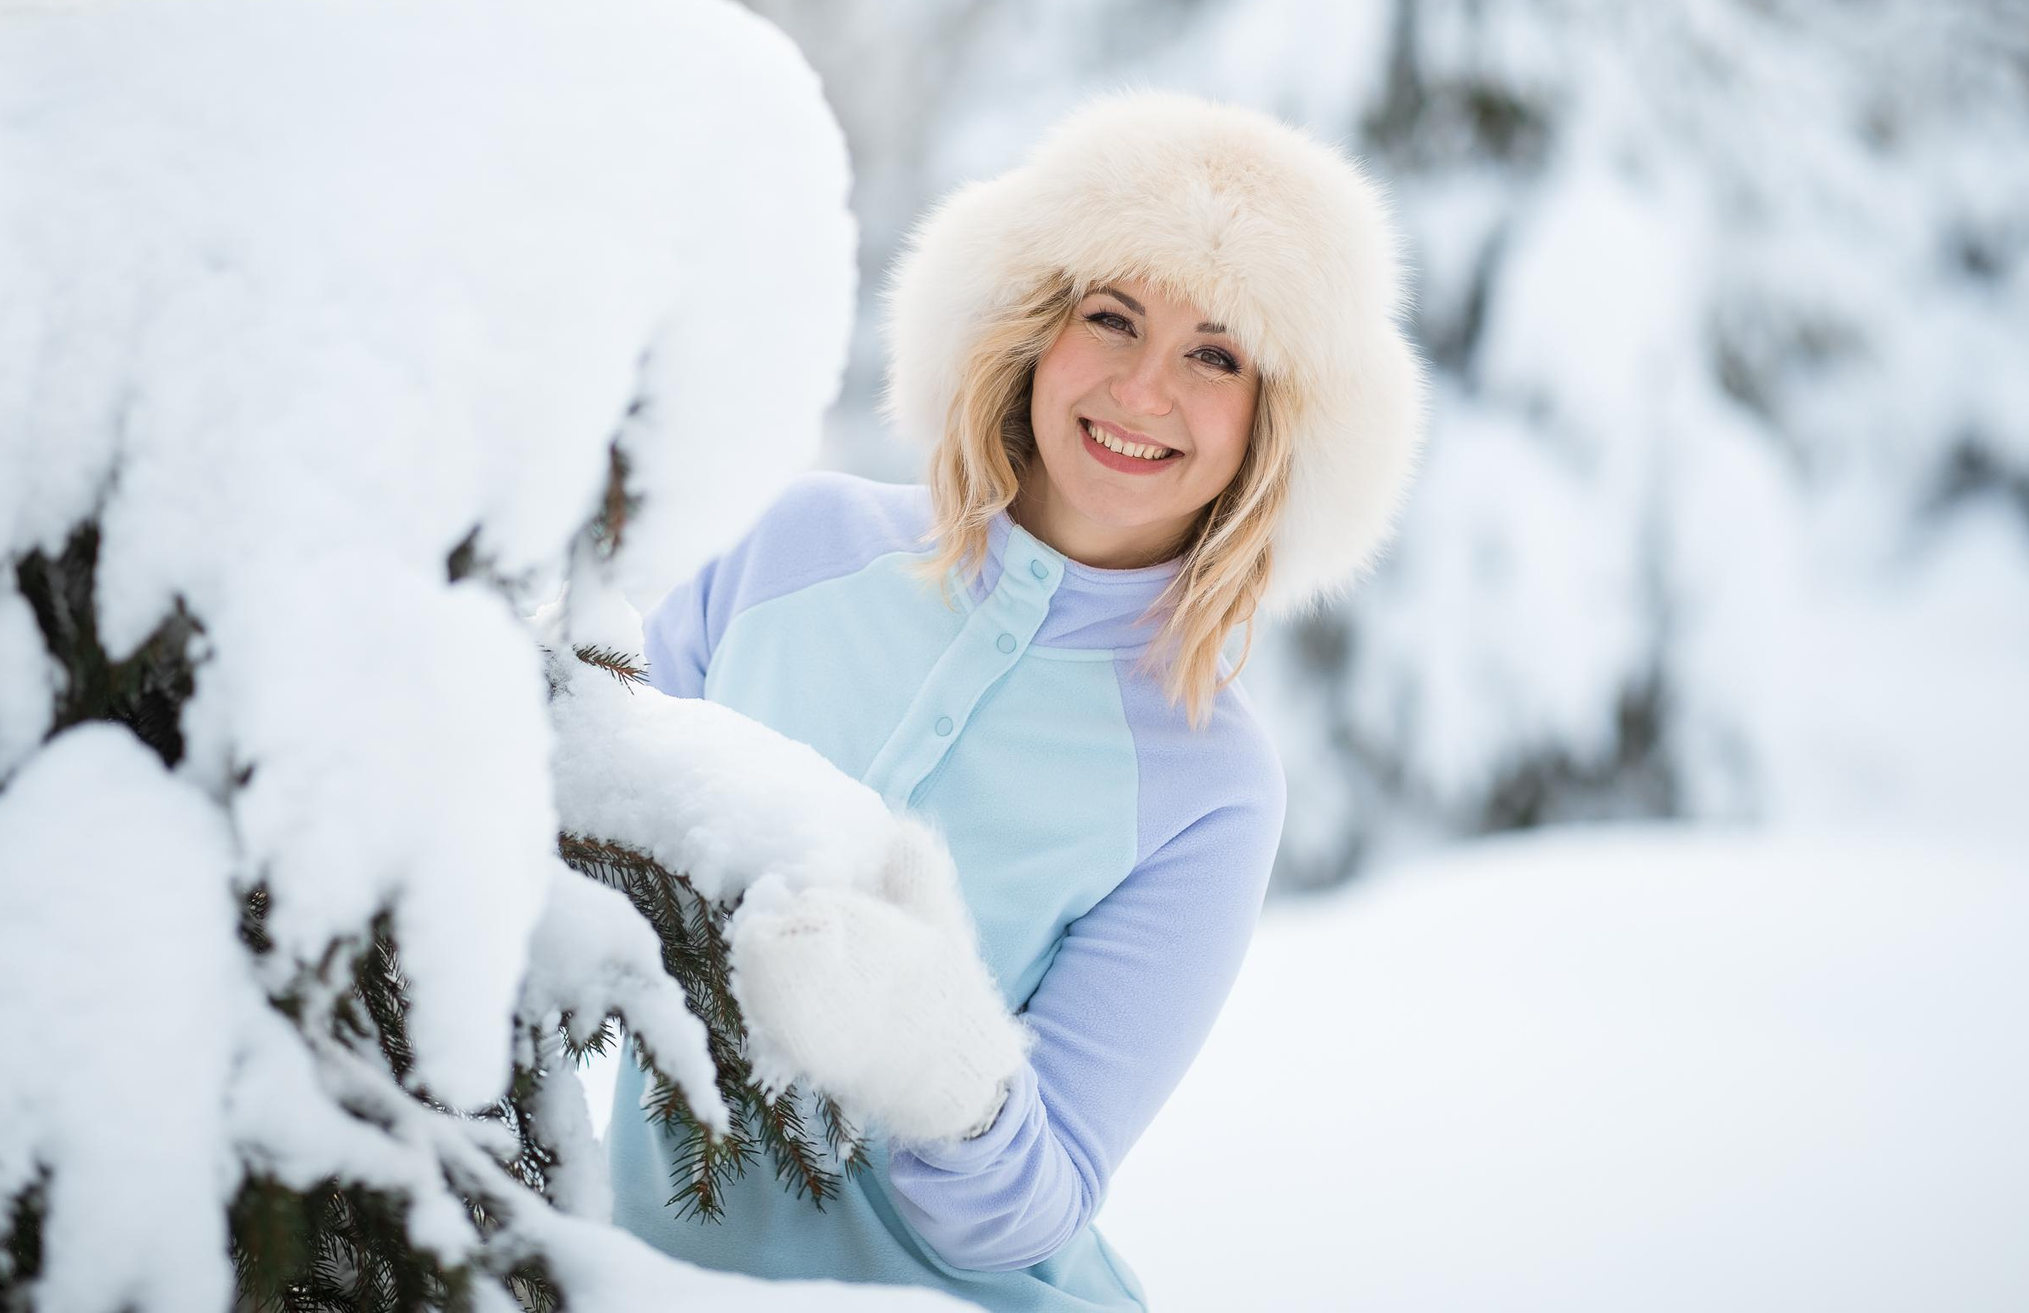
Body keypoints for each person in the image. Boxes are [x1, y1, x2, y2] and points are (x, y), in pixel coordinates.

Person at [607, 89, 1430, 1309]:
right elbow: (569, 829)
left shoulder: (1205, 782)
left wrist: (939, 1061)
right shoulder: (790, 549)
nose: (1145, 390)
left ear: (1275, 421)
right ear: (1032, 331)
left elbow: (1026, 1216)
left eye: (1216, 353)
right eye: (1113, 317)